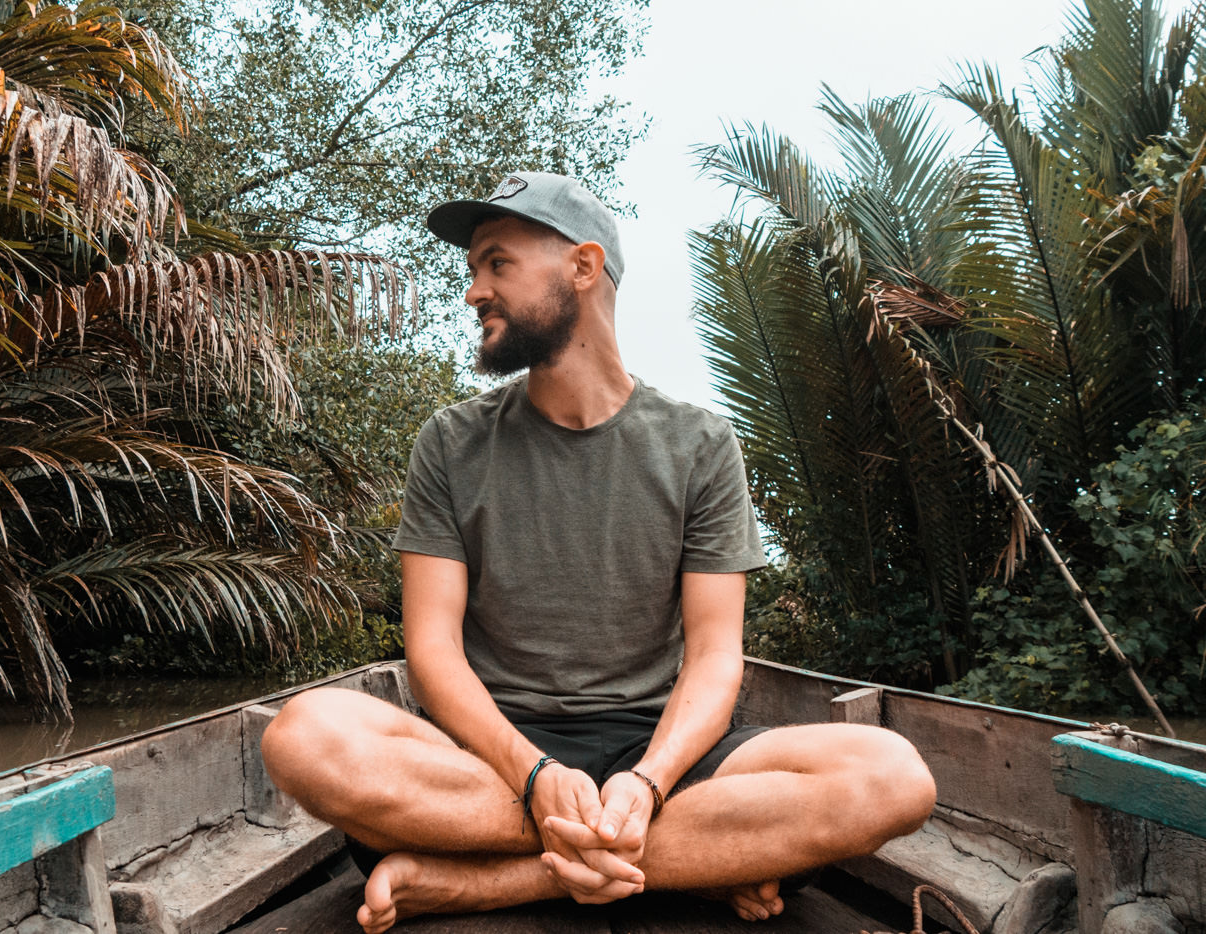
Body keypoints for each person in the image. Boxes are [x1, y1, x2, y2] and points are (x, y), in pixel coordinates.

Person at [261, 172, 937, 933]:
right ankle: (693, 866)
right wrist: (535, 776)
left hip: (664, 759)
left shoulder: (700, 444)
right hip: (493, 757)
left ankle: (494, 883)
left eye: (497, 263)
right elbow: (432, 651)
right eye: (473, 270)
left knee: (891, 778)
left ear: (583, 268)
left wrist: (647, 785)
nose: (474, 292)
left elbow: (716, 657)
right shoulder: (450, 443)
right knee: (304, 736)